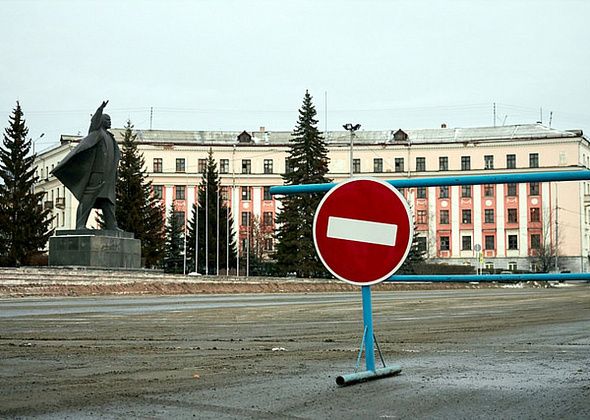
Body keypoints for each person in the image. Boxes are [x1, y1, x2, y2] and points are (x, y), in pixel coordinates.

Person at [52, 101, 121, 230]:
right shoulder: (97, 133)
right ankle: (80, 225)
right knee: (88, 199)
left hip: (108, 176)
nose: (110, 122)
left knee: (108, 201)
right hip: (97, 174)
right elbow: (93, 123)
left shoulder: (110, 137)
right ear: (101, 121)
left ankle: (112, 226)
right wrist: (100, 109)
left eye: (110, 120)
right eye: (107, 119)